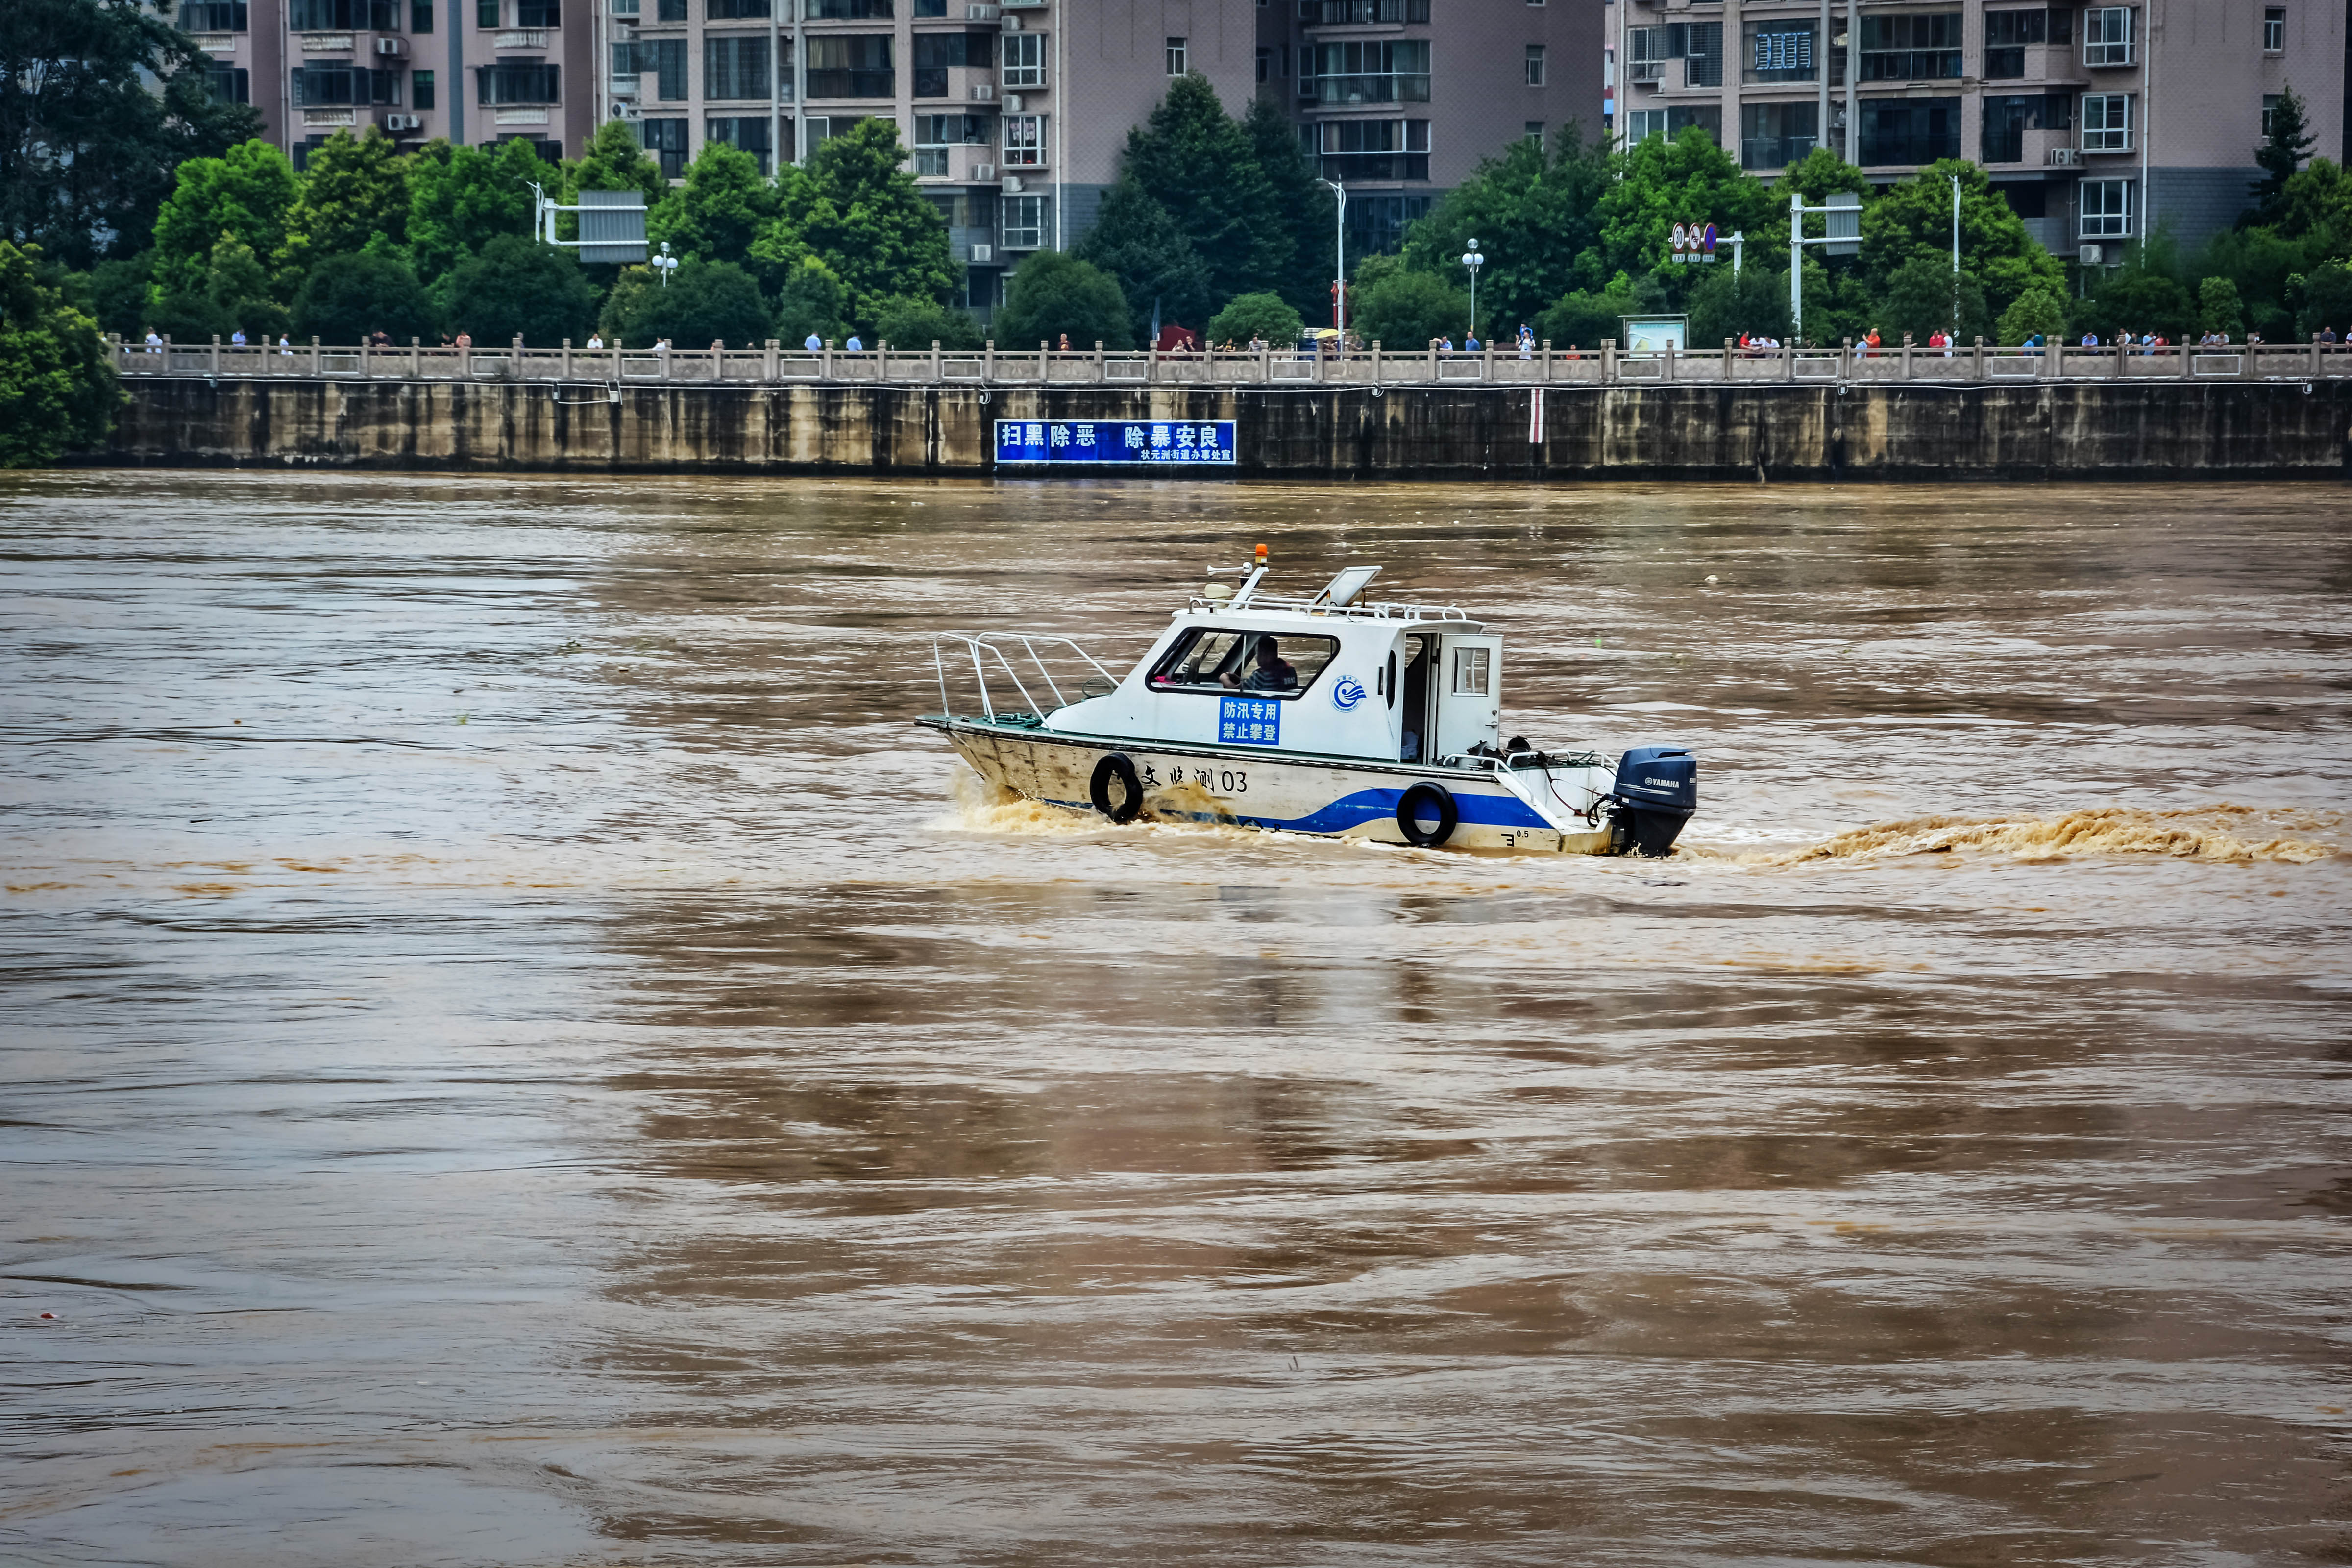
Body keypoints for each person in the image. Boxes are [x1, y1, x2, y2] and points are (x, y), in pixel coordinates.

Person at [1221, 637, 1297, 694]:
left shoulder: (1261, 675)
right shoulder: (1289, 671)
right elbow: (1255, 684)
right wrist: (1240, 680)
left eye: (1259, 653)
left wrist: (1224, 678)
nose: (1256, 657)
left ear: (1268, 655)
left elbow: (1234, 690)